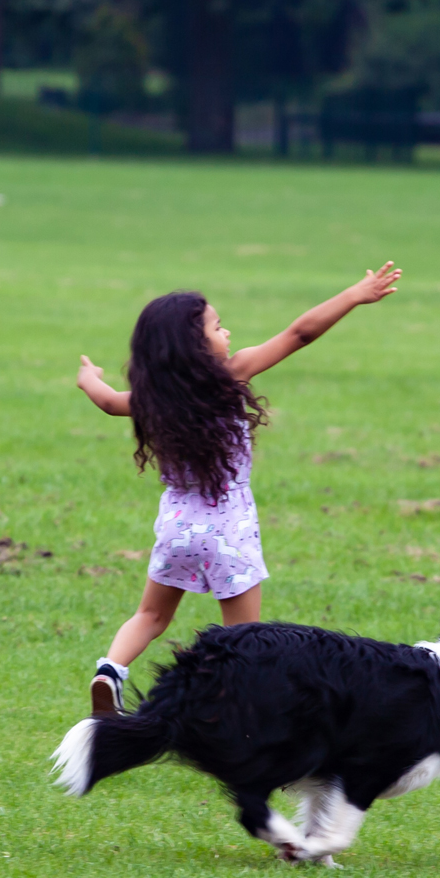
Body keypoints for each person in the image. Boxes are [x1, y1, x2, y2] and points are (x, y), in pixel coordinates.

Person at [75, 261, 402, 714]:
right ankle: (229, 712)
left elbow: (109, 401)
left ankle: (110, 670)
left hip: (176, 528)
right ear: (195, 343)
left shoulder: (152, 398)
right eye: (218, 326)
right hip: (229, 530)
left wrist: (88, 376)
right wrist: (353, 295)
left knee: (150, 616)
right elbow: (299, 333)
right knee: (243, 641)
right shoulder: (231, 376)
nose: (227, 333)